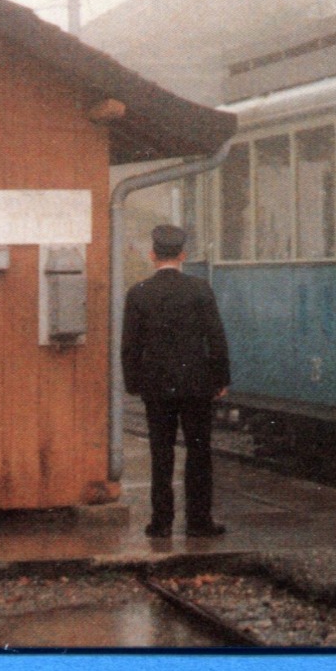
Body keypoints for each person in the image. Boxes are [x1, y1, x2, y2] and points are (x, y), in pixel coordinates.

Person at [122, 224, 232, 539]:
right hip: (196, 384)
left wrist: (133, 382)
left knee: (161, 453)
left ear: (152, 255)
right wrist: (220, 377)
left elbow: (130, 345)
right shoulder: (200, 290)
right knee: (199, 452)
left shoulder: (138, 293)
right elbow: (216, 337)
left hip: (156, 386)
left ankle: (161, 523)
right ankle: (199, 521)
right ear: (183, 255)